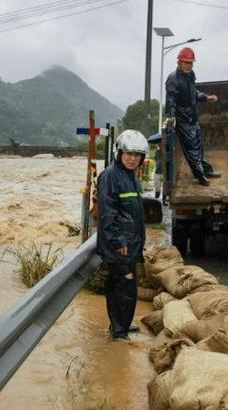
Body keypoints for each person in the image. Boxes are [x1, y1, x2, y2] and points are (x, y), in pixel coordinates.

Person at [97, 129, 148, 341]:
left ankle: (121, 325)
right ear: (119, 153)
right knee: (124, 283)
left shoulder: (132, 177)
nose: (132, 158)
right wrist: (118, 241)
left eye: (137, 155)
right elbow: (108, 213)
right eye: (128, 154)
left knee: (124, 283)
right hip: (119, 244)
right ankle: (119, 331)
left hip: (131, 243)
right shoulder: (110, 176)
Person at [164, 47, 220, 186]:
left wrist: (206, 98)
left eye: (190, 63)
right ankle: (200, 176)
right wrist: (171, 117)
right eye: (185, 62)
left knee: (199, 146)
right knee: (191, 149)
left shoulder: (190, 75)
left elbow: (193, 92)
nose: (188, 65)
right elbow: (170, 100)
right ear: (179, 62)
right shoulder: (173, 79)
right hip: (182, 120)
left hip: (192, 118)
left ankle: (206, 170)